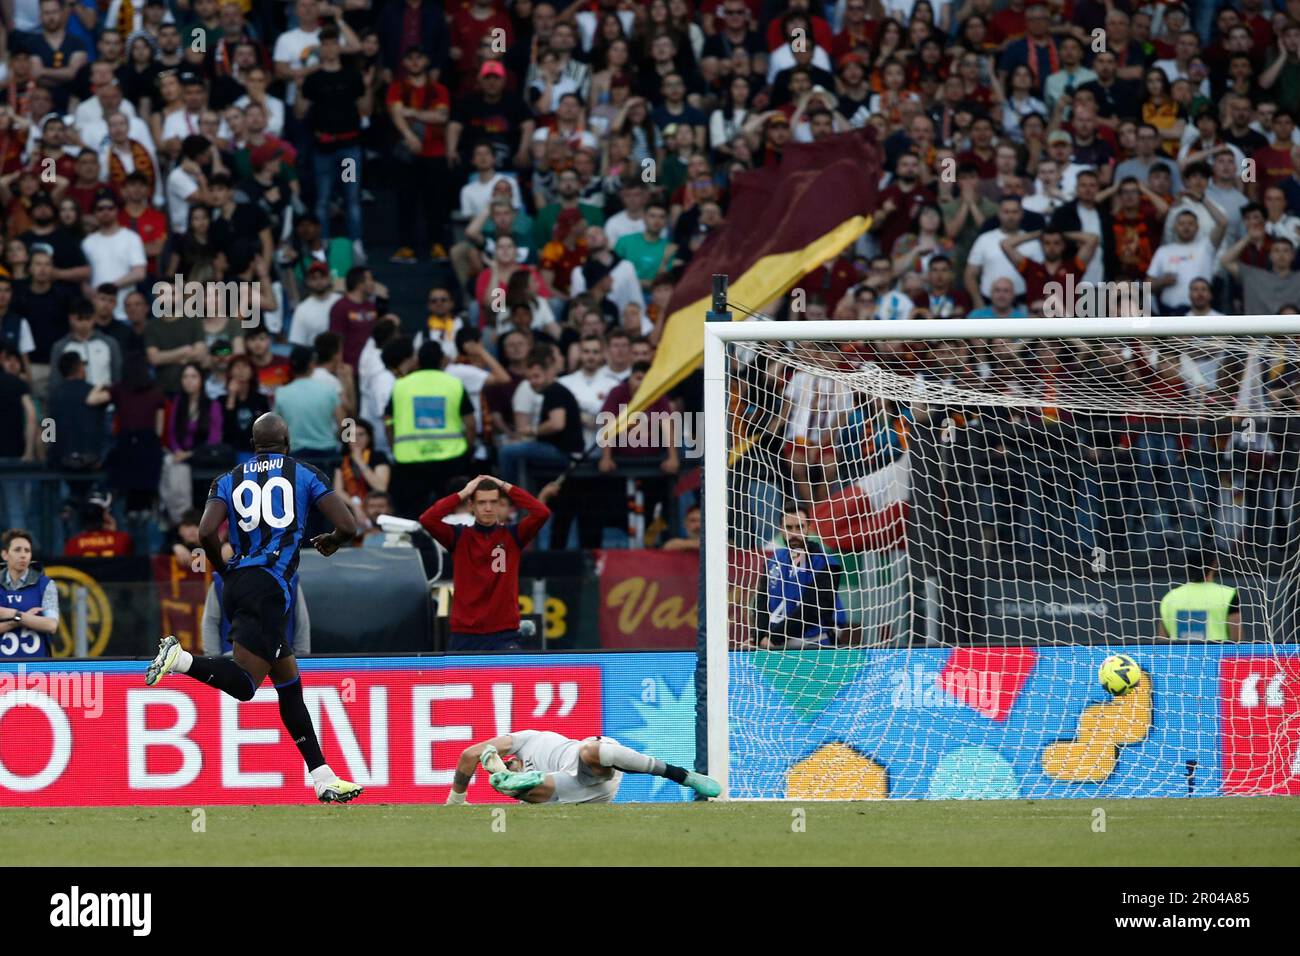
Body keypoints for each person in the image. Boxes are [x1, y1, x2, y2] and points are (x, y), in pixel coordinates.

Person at [144, 412, 364, 804]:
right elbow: (348, 525)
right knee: (246, 685)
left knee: (289, 685)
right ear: (287, 442)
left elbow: (206, 532)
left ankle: (323, 777)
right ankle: (180, 660)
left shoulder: (226, 479)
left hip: (240, 581)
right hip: (272, 587)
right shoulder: (305, 473)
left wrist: (227, 570)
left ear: (253, 443)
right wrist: (331, 540)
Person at [418, 474, 550, 652]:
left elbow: (542, 512)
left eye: (493, 502)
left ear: (500, 504)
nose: (488, 508)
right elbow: (427, 519)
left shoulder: (513, 536)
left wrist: (505, 485)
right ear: (471, 505)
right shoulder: (458, 537)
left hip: (504, 633)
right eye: (481, 502)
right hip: (465, 633)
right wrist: (464, 492)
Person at [445, 730, 720, 804]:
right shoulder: (524, 788)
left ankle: (683, 775)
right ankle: (505, 780)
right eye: (504, 766)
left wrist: (455, 800)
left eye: (505, 762)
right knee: (520, 790)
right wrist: (503, 776)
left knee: (591, 752)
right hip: (576, 790)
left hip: (586, 760)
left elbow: (469, 754)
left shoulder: (525, 740)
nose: (507, 760)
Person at [385, 341, 476, 518]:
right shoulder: (454, 384)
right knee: (450, 513)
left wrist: (393, 444)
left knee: (412, 515)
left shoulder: (401, 385)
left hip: (409, 459)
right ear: (443, 360)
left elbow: (388, 420)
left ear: (417, 361)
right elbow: (470, 422)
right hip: (450, 457)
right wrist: (468, 448)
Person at [754, 503, 846, 650]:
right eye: (789, 528)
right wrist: (758, 638)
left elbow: (813, 609)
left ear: (808, 528)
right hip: (776, 647)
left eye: (799, 527)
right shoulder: (773, 561)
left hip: (816, 646)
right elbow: (761, 603)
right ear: (781, 529)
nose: (794, 533)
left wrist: (774, 637)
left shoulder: (826, 563)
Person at [0, 528, 60, 659]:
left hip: (37, 672)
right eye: (17, 550)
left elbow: (51, 625)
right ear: (5, 554)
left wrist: (13, 615)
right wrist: (23, 619)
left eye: (27, 551)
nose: (23, 555)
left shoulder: (46, 584)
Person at [1158, 550, 1241, 642]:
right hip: (1218, 655)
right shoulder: (1227, 595)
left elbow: (1162, 643)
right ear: (1214, 565)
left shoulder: (1170, 598)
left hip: (1180, 656)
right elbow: (1237, 640)